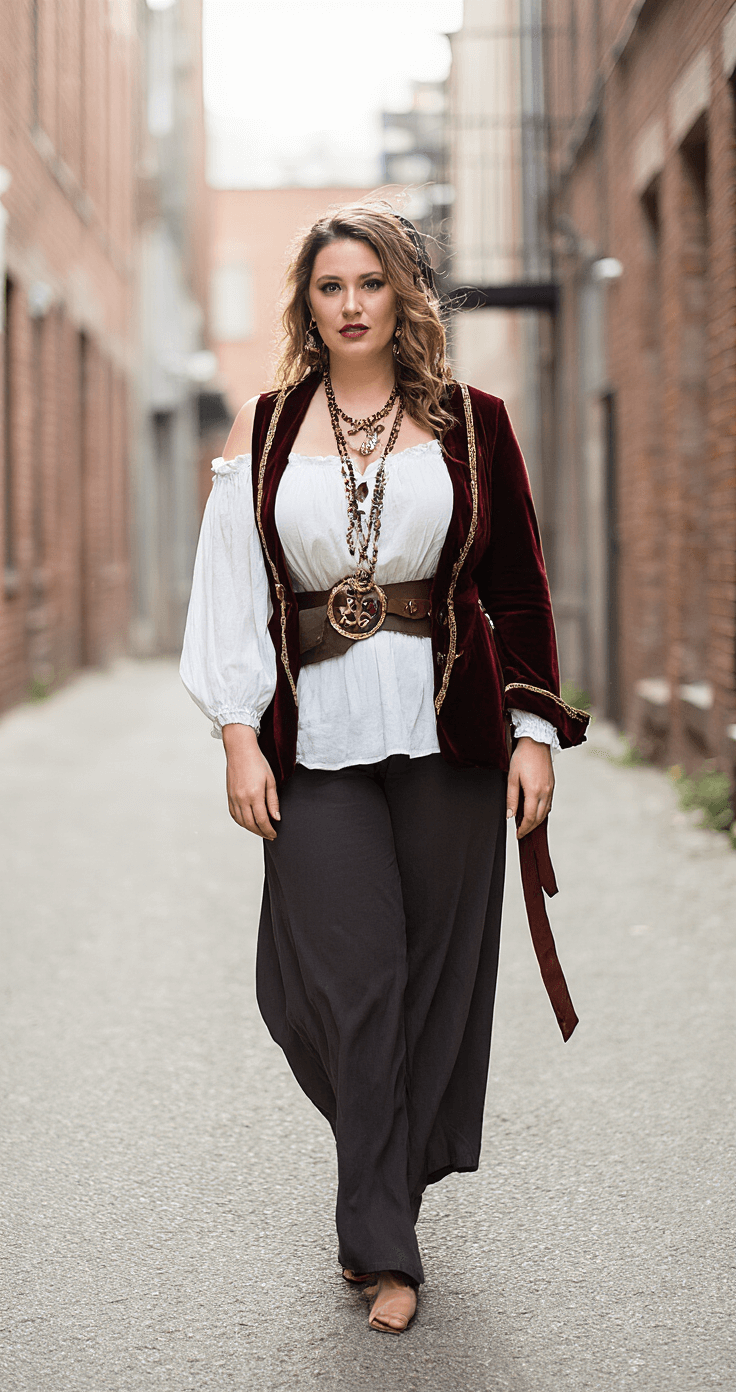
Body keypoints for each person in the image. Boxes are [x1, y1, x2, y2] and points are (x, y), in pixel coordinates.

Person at [180, 201, 589, 1335]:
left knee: (433, 986)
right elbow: (231, 590)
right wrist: (235, 733)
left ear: (402, 295)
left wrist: (532, 732)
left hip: (449, 737)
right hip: (313, 746)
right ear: (306, 305)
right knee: (336, 986)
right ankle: (384, 1188)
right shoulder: (266, 430)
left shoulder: (473, 422)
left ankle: (383, 1241)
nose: (351, 304)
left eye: (370, 283)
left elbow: (519, 589)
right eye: (328, 287)